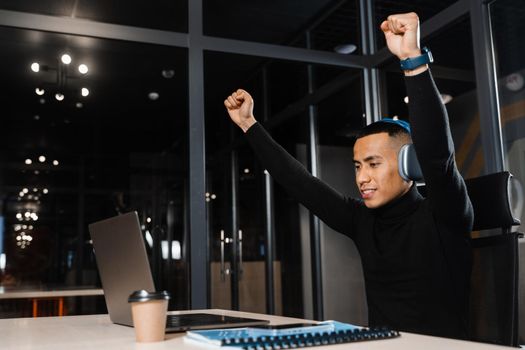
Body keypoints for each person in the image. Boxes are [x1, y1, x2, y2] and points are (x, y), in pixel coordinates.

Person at [224, 12, 473, 339]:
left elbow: (438, 156)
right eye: (357, 166)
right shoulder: (362, 220)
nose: (362, 178)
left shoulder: (445, 213)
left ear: (409, 163)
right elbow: (300, 183)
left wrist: (412, 59)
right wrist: (248, 125)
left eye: (373, 163)